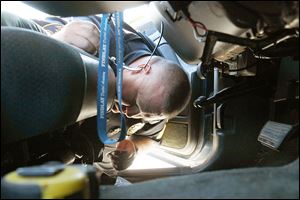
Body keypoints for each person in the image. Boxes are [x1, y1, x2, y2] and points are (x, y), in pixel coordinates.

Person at [1, 11, 191, 170]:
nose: (130, 112)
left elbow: (152, 139)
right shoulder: (101, 36)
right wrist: (57, 42)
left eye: (145, 115)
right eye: (134, 101)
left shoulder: (156, 102)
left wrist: (134, 148)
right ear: (143, 69)